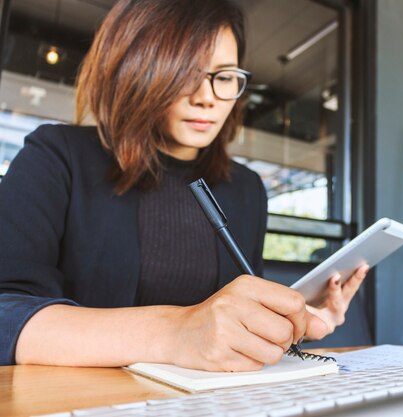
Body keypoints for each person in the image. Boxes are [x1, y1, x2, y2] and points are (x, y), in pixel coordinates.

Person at [0, 0, 368, 371]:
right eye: (185, 72)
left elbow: (227, 333)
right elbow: (5, 315)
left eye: (223, 76)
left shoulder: (246, 188)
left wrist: (292, 320)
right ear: (133, 69)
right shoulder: (57, 156)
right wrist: (176, 332)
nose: (206, 97)